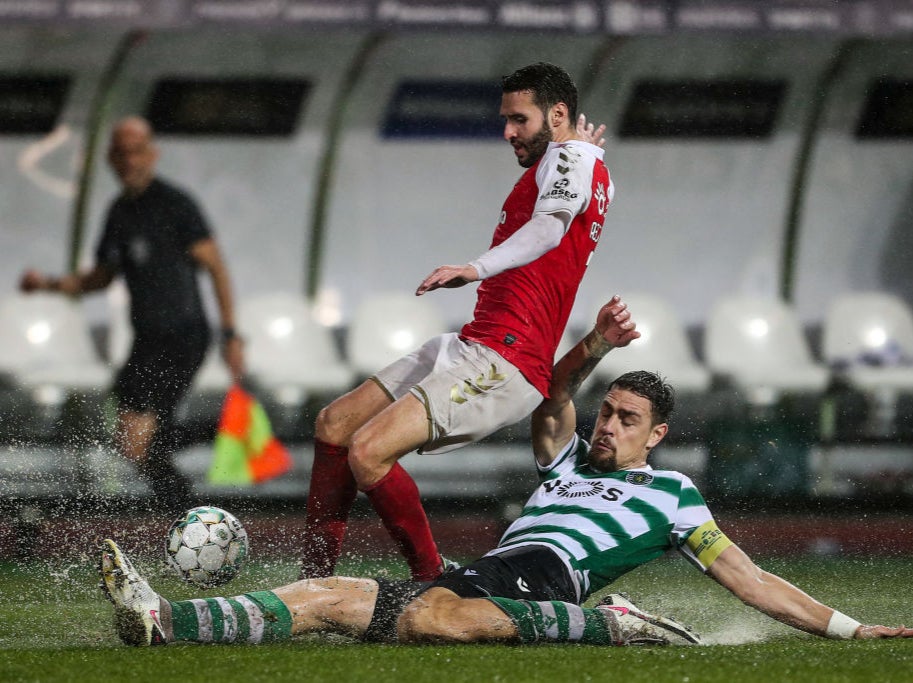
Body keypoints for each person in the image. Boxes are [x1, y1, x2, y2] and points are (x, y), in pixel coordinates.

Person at [99, 301, 913, 648]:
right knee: (333, 597)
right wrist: (591, 347)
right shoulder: (560, 460)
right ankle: (169, 622)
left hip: (547, 580)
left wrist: (846, 626)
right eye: (607, 412)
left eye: (626, 420)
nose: (606, 424)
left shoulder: (672, 498)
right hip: (486, 574)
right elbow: (553, 392)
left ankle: (606, 623)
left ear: (656, 435)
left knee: (434, 624)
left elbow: (750, 578)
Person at [301, 62, 615, 581]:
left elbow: (550, 229)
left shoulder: (570, 157)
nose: (508, 132)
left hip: (505, 360)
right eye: (506, 119)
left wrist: (475, 268)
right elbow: (571, 185)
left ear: (557, 115)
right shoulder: (576, 158)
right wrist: (580, 148)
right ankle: (311, 584)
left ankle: (431, 584)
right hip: (473, 344)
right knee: (335, 425)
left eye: (520, 119)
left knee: (368, 452)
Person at [20, 116, 244, 513]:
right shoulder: (119, 213)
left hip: (183, 335)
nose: (130, 161)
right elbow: (100, 279)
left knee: (145, 437)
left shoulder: (176, 204)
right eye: (121, 153)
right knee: (132, 441)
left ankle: (205, 472)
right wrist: (49, 285)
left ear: (152, 155)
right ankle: (185, 510)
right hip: (147, 340)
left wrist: (230, 334)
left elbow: (217, 267)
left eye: (137, 151)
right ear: (110, 159)